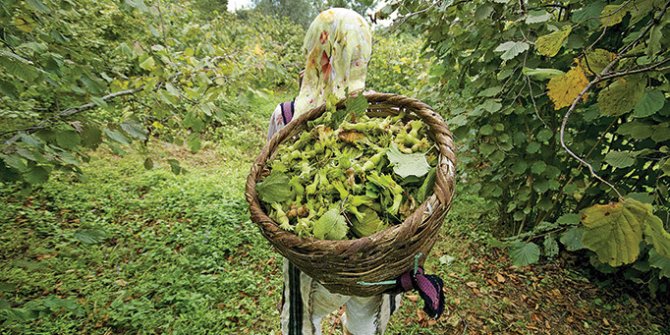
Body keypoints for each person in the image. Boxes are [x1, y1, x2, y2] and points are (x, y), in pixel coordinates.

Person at [265, 8, 402, 335]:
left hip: (313, 262)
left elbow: (269, 182)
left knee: (306, 318)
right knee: (363, 323)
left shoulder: (285, 116)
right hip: (370, 259)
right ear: (361, 54)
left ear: (313, 49)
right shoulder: (379, 113)